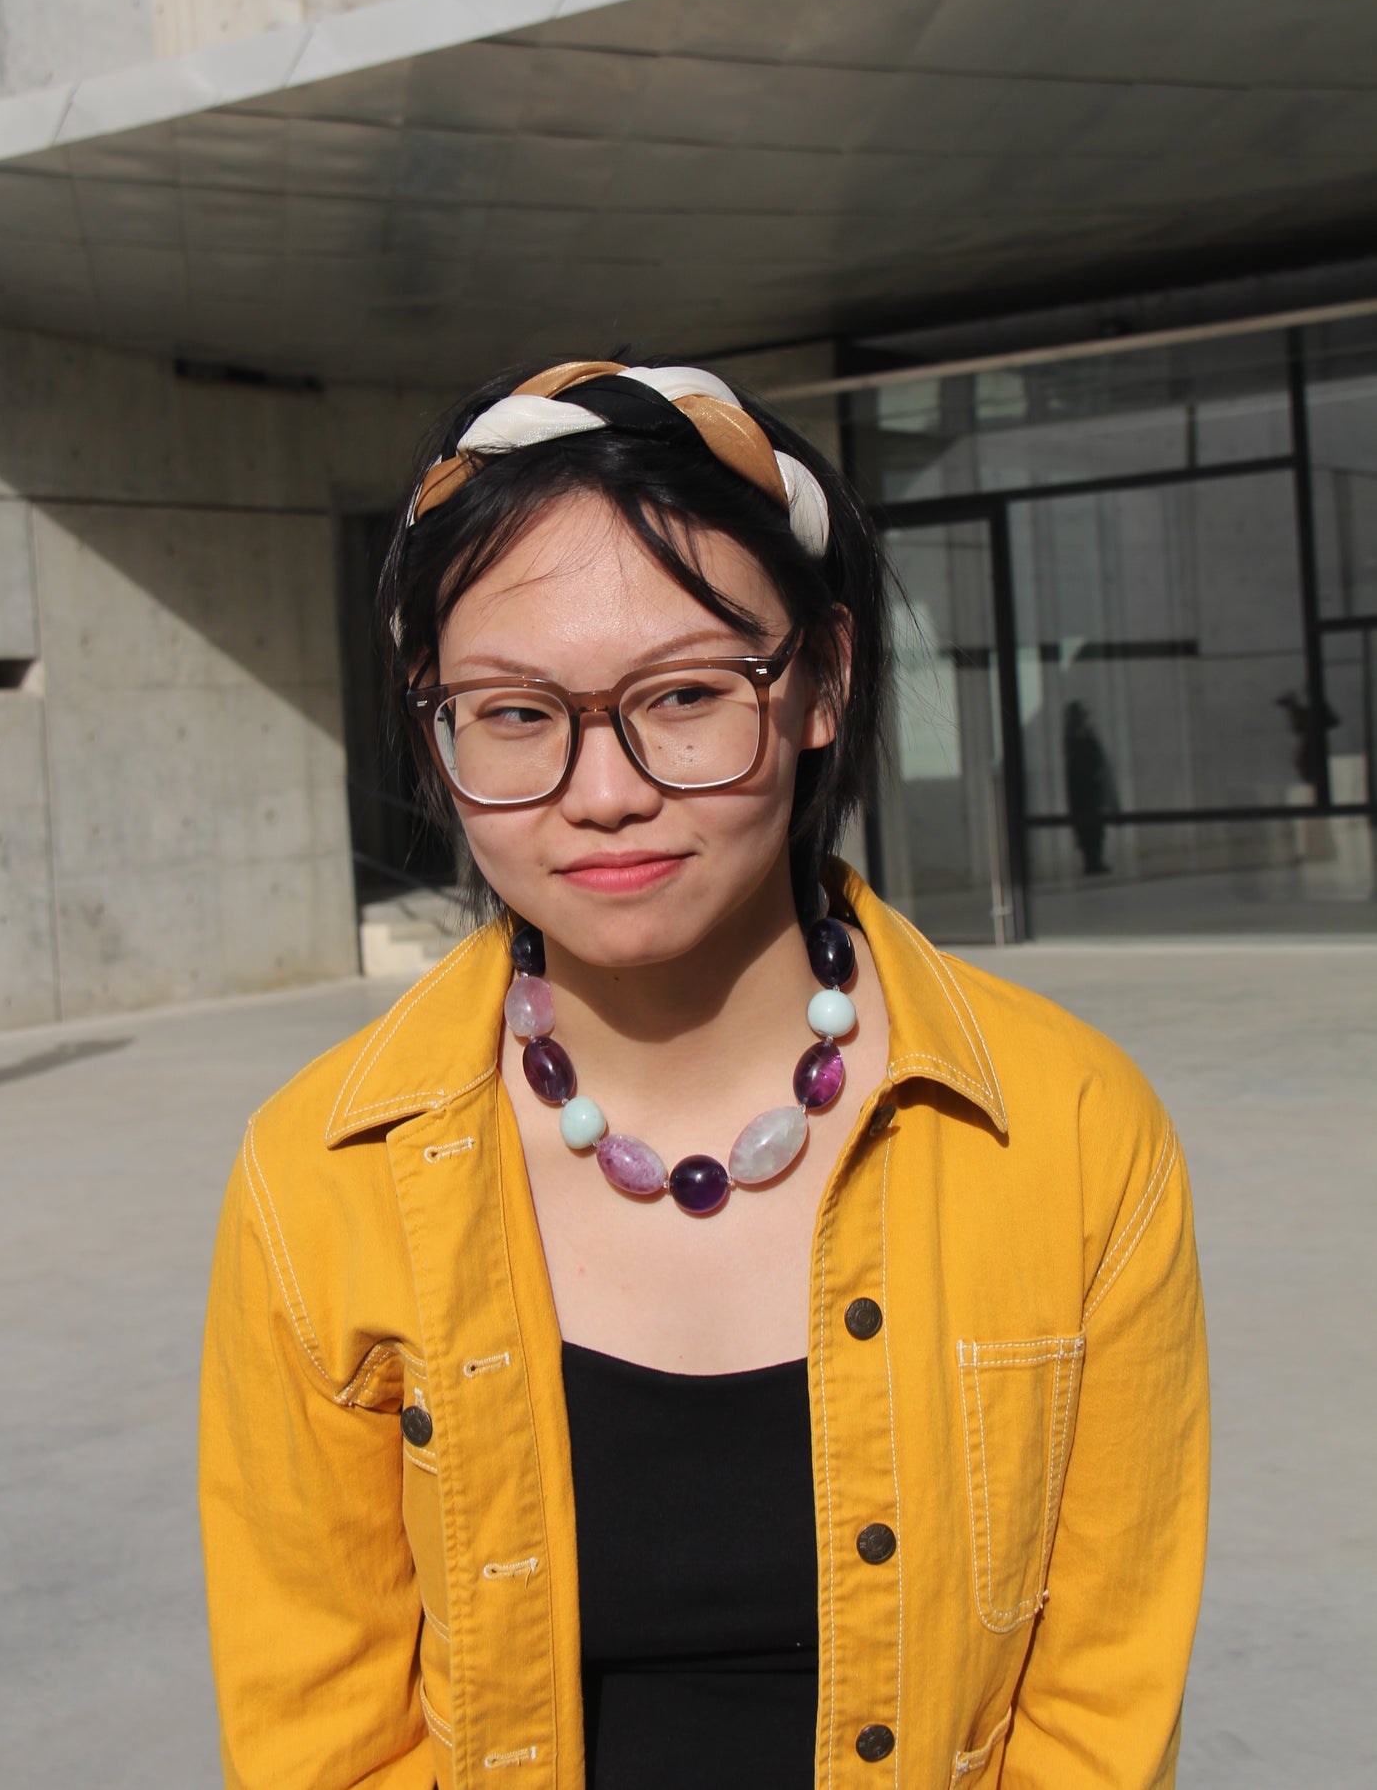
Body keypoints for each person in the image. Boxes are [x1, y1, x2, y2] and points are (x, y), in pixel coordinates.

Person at [200, 360, 1209, 1790]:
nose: (602, 786)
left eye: (682, 692)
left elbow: (1098, 1714)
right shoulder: (322, 1172)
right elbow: (322, 1732)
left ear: (822, 681)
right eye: (512, 711)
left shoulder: (1067, 1130)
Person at [1062, 700, 1119, 877]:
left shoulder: (1087, 736)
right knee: (1087, 830)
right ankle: (1092, 862)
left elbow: (1097, 760)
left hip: (1092, 792)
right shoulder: (1073, 740)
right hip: (1082, 794)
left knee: (1096, 829)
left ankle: (1095, 861)